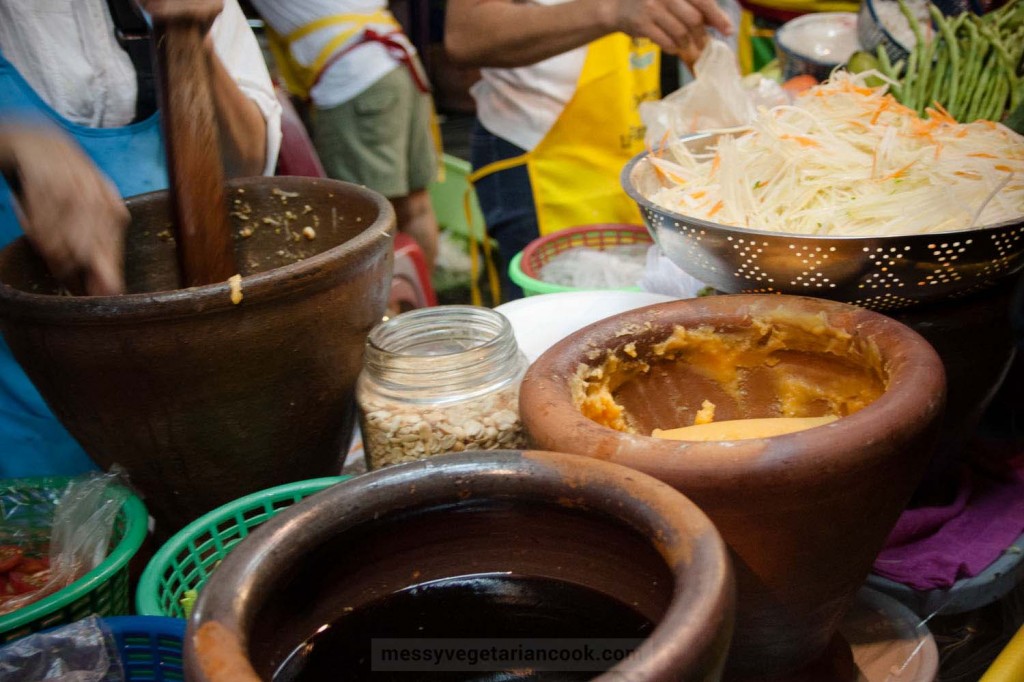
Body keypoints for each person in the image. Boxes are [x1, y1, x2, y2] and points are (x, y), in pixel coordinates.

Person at [0, 0, 283, 478]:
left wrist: (189, 32)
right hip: (25, 416)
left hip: (175, 393)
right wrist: (13, 140)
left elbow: (245, 167)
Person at [444, 0, 733, 300]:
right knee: (560, 318)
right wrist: (611, 10)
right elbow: (465, 37)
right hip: (543, 160)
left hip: (630, 142)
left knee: (638, 306)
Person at [250, 0, 442, 271]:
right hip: (397, 61)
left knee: (368, 215)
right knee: (415, 204)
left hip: (354, 78)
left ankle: (389, 307)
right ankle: (421, 303)